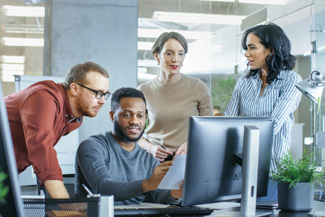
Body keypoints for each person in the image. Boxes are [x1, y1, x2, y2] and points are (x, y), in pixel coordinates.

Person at [4, 61, 110, 199]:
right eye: (98, 93)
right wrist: (66, 210)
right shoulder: (43, 98)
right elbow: (42, 151)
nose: (103, 101)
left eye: (105, 94)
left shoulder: (72, 119)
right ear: (75, 89)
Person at [225, 23, 302, 201]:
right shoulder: (244, 81)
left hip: (273, 172)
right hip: (240, 171)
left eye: (252, 48)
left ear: (271, 49)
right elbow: (228, 122)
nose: (246, 54)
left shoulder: (291, 80)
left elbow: (271, 127)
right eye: (246, 48)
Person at [75, 87, 182, 205]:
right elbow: (103, 188)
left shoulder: (149, 160)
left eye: (140, 116)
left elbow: (159, 196)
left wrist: (177, 193)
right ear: (112, 116)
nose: (134, 121)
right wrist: (148, 184)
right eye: (127, 115)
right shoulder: (92, 147)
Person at [137, 32, 213, 162]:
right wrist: (151, 148)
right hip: (153, 161)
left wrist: (191, 143)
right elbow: (134, 134)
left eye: (181, 53)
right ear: (157, 56)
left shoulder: (198, 87)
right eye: (169, 53)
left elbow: (209, 128)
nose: (175, 59)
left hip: (189, 160)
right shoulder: (143, 91)